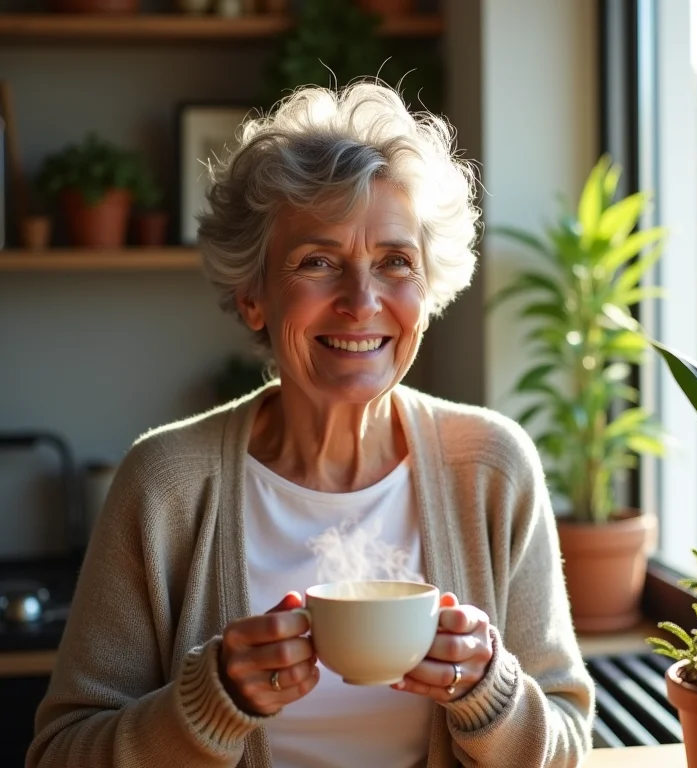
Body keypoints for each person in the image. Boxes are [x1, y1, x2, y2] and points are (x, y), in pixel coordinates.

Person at [27, 82, 595, 768]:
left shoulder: (493, 467)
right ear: (254, 296)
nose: (362, 301)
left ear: (428, 291)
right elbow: (59, 755)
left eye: (395, 262)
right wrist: (208, 704)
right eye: (318, 262)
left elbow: (568, 743)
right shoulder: (165, 486)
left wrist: (488, 692)